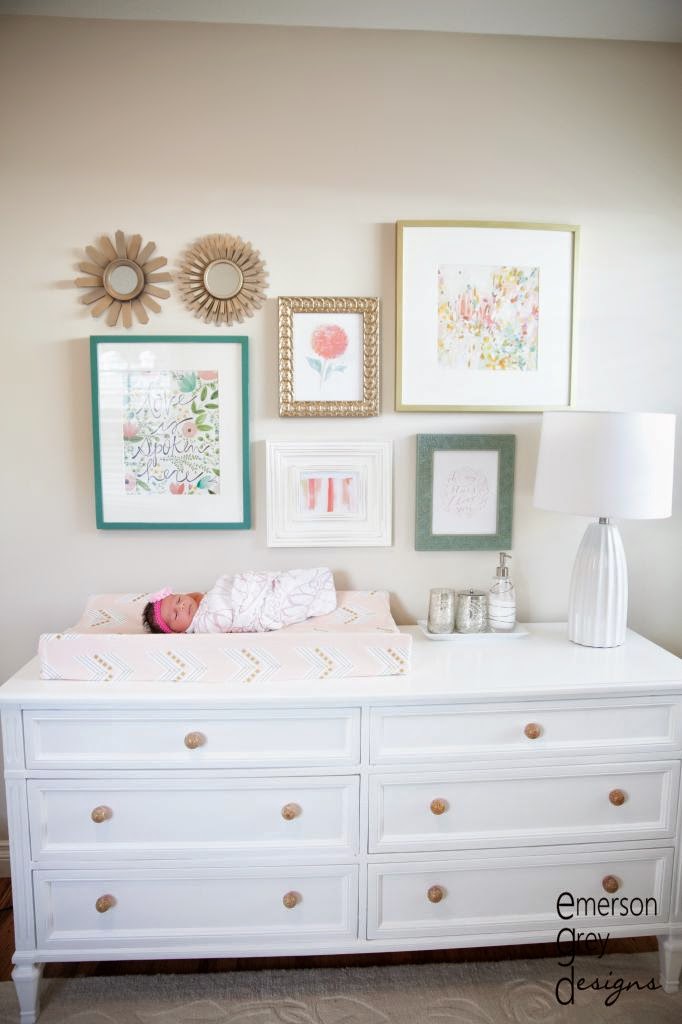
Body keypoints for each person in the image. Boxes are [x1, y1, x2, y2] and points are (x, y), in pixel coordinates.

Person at [142, 567, 336, 634]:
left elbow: (230, 588)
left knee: (290, 580)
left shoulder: (202, 606)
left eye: (178, 600)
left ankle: (320, 583)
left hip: (258, 594)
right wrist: (217, 590)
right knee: (291, 596)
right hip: (261, 609)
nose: (182, 606)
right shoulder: (203, 626)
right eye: (176, 615)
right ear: (176, 632)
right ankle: (321, 594)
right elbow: (225, 616)